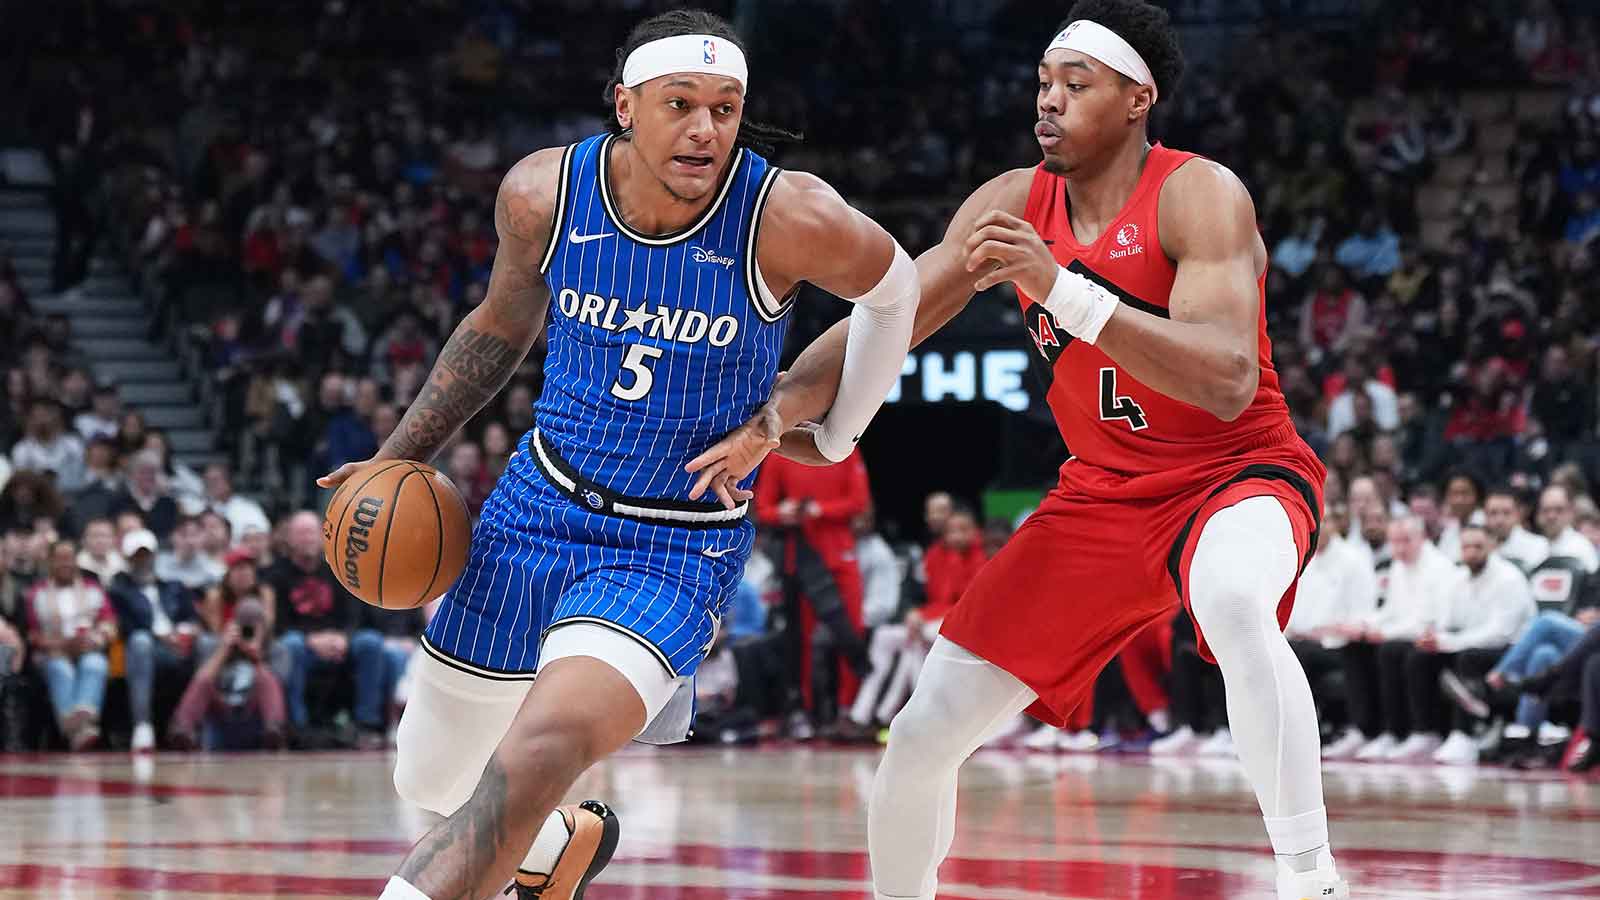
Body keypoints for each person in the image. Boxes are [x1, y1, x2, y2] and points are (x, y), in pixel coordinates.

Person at [692, 3, 1347, 896]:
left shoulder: (1199, 193)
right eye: (1043, 84)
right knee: (923, 731)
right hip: (1102, 495)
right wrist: (775, 414)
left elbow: (1228, 377)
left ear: (1136, 99)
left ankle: (1311, 876)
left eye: (1075, 86)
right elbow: (887, 317)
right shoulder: (1010, 204)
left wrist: (1065, 291)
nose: (1048, 102)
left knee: (1234, 599)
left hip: (1237, 473)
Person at [320, 11, 921, 900]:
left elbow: (896, 291)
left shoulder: (785, 214)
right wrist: (394, 455)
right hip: (534, 506)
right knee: (431, 778)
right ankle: (555, 849)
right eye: (681, 103)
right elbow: (498, 326)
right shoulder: (543, 193)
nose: (706, 128)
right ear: (626, 106)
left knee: (542, 749)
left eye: (726, 107)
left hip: (671, 544)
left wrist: (822, 426)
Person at [107, 528, 205, 753]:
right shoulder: (119, 589)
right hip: (147, 648)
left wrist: (188, 631)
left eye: (146, 555)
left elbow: (191, 617)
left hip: (179, 645)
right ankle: (142, 726)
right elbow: (125, 626)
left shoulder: (174, 587)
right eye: (137, 556)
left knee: (207, 643)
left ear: (154, 556)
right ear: (127, 558)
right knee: (140, 641)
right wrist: (160, 636)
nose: (142, 561)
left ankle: (191, 724)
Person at [25, 540, 116, 750]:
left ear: (77, 561)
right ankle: (81, 727)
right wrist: (61, 645)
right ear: (50, 562)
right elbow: (32, 635)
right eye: (60, 559)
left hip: (88, 649)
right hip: (52, 652)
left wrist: (98, 636)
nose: (65, 564)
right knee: (61, 668)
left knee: (96, 663)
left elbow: (110, 623)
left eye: (69, 558)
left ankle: (76, 732)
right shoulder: (36, 593)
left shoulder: (93, 589)